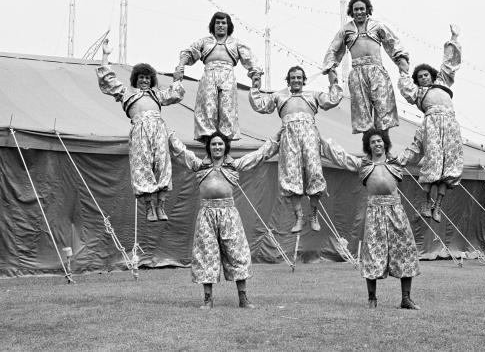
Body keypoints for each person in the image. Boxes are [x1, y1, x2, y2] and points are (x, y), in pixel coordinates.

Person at [169, 130, 280, 310]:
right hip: (206, 214)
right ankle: (207, 300)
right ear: (209, 147)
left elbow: (258, 155)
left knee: (237, 253)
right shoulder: (200, 166)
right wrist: (168, 134)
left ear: (225, 147)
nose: (217, 147)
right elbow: (181, 152)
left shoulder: (233, 166)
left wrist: (276, 140)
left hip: (229, 213)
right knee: (206, 254)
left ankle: (243, 299)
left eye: (220, 144)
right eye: (213, 144)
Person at [320, 129, 421, 310]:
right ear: (369, 145)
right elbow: (341, 157)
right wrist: (321, 140)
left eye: (380, 141)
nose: (377, 144)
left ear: (385, 143)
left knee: (405, 249)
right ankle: (372, 299)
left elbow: (413, 151)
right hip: (375, 211)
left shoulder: (395, 163)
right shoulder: (364, 165)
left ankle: (406, 298)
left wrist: (424, 132)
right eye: (373, 142)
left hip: (396, 210)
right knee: (373, 252)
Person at [96, 39, 185, 222]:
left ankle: (161, 205)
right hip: (140, 129)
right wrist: (105, 56)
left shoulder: (156, 95)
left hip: (158, 128)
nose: (144, 80)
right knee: (142, 165)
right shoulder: (127, 93)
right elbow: (108, 80)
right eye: (141, 77)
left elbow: (175, 94)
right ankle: (149, 207)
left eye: (147, 78)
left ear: (151, 80)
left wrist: (177, 78)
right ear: (136, 79)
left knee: (162, 163)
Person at [249, 66, 343, 233]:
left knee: (314, 172)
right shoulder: (279, 95)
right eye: (293, 78)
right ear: (288, 80)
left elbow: (333, 100)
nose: (296, 80)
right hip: (289, 135)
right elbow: (260, 105)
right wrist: (255, 85)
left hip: (309, 134)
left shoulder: (313, 95)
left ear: (303, 80)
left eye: (299, 77)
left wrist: (332, 78)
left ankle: (313, 214)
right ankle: (298, 217)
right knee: (291, 175)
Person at [397, 24, 463, 222]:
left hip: (450, 123)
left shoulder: (443, 82)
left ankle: (438, 206)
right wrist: (404, 71)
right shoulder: (418, 93)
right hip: (432, 123)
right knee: (433, 162)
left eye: (426, 75)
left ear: (431, 76)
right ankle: (426, 202)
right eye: (420, 77)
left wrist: (454, 38)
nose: (423, 78)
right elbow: (406, 86)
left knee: (448, 166)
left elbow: (449, 63)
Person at [322, 0, 409, 134]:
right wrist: (331, 69)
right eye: (356, 9)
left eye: (362, 9)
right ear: (351, 11)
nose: (359, 12)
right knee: (363, 114)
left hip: (377, 71)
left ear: (367, 9)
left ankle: (385, 150)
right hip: (357, 73)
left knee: (383, 111)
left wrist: (401, 60)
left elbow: (393, 43)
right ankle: (368, 151)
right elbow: (333, 49)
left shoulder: (377, 26)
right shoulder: (346, 30)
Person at [174, 11, 263, 141]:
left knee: (227, 110)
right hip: (209, 75)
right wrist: (180, 67)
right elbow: (188, 53)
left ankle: (226, 149)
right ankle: (208, 147)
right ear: (213, 25)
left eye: (223, 23)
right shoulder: (205, 41)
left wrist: (256, 75)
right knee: (207, 109)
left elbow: (250, 60)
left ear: (228, 26)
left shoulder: (236, 43)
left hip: (228, 76)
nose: (220, 25)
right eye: (218, 23)